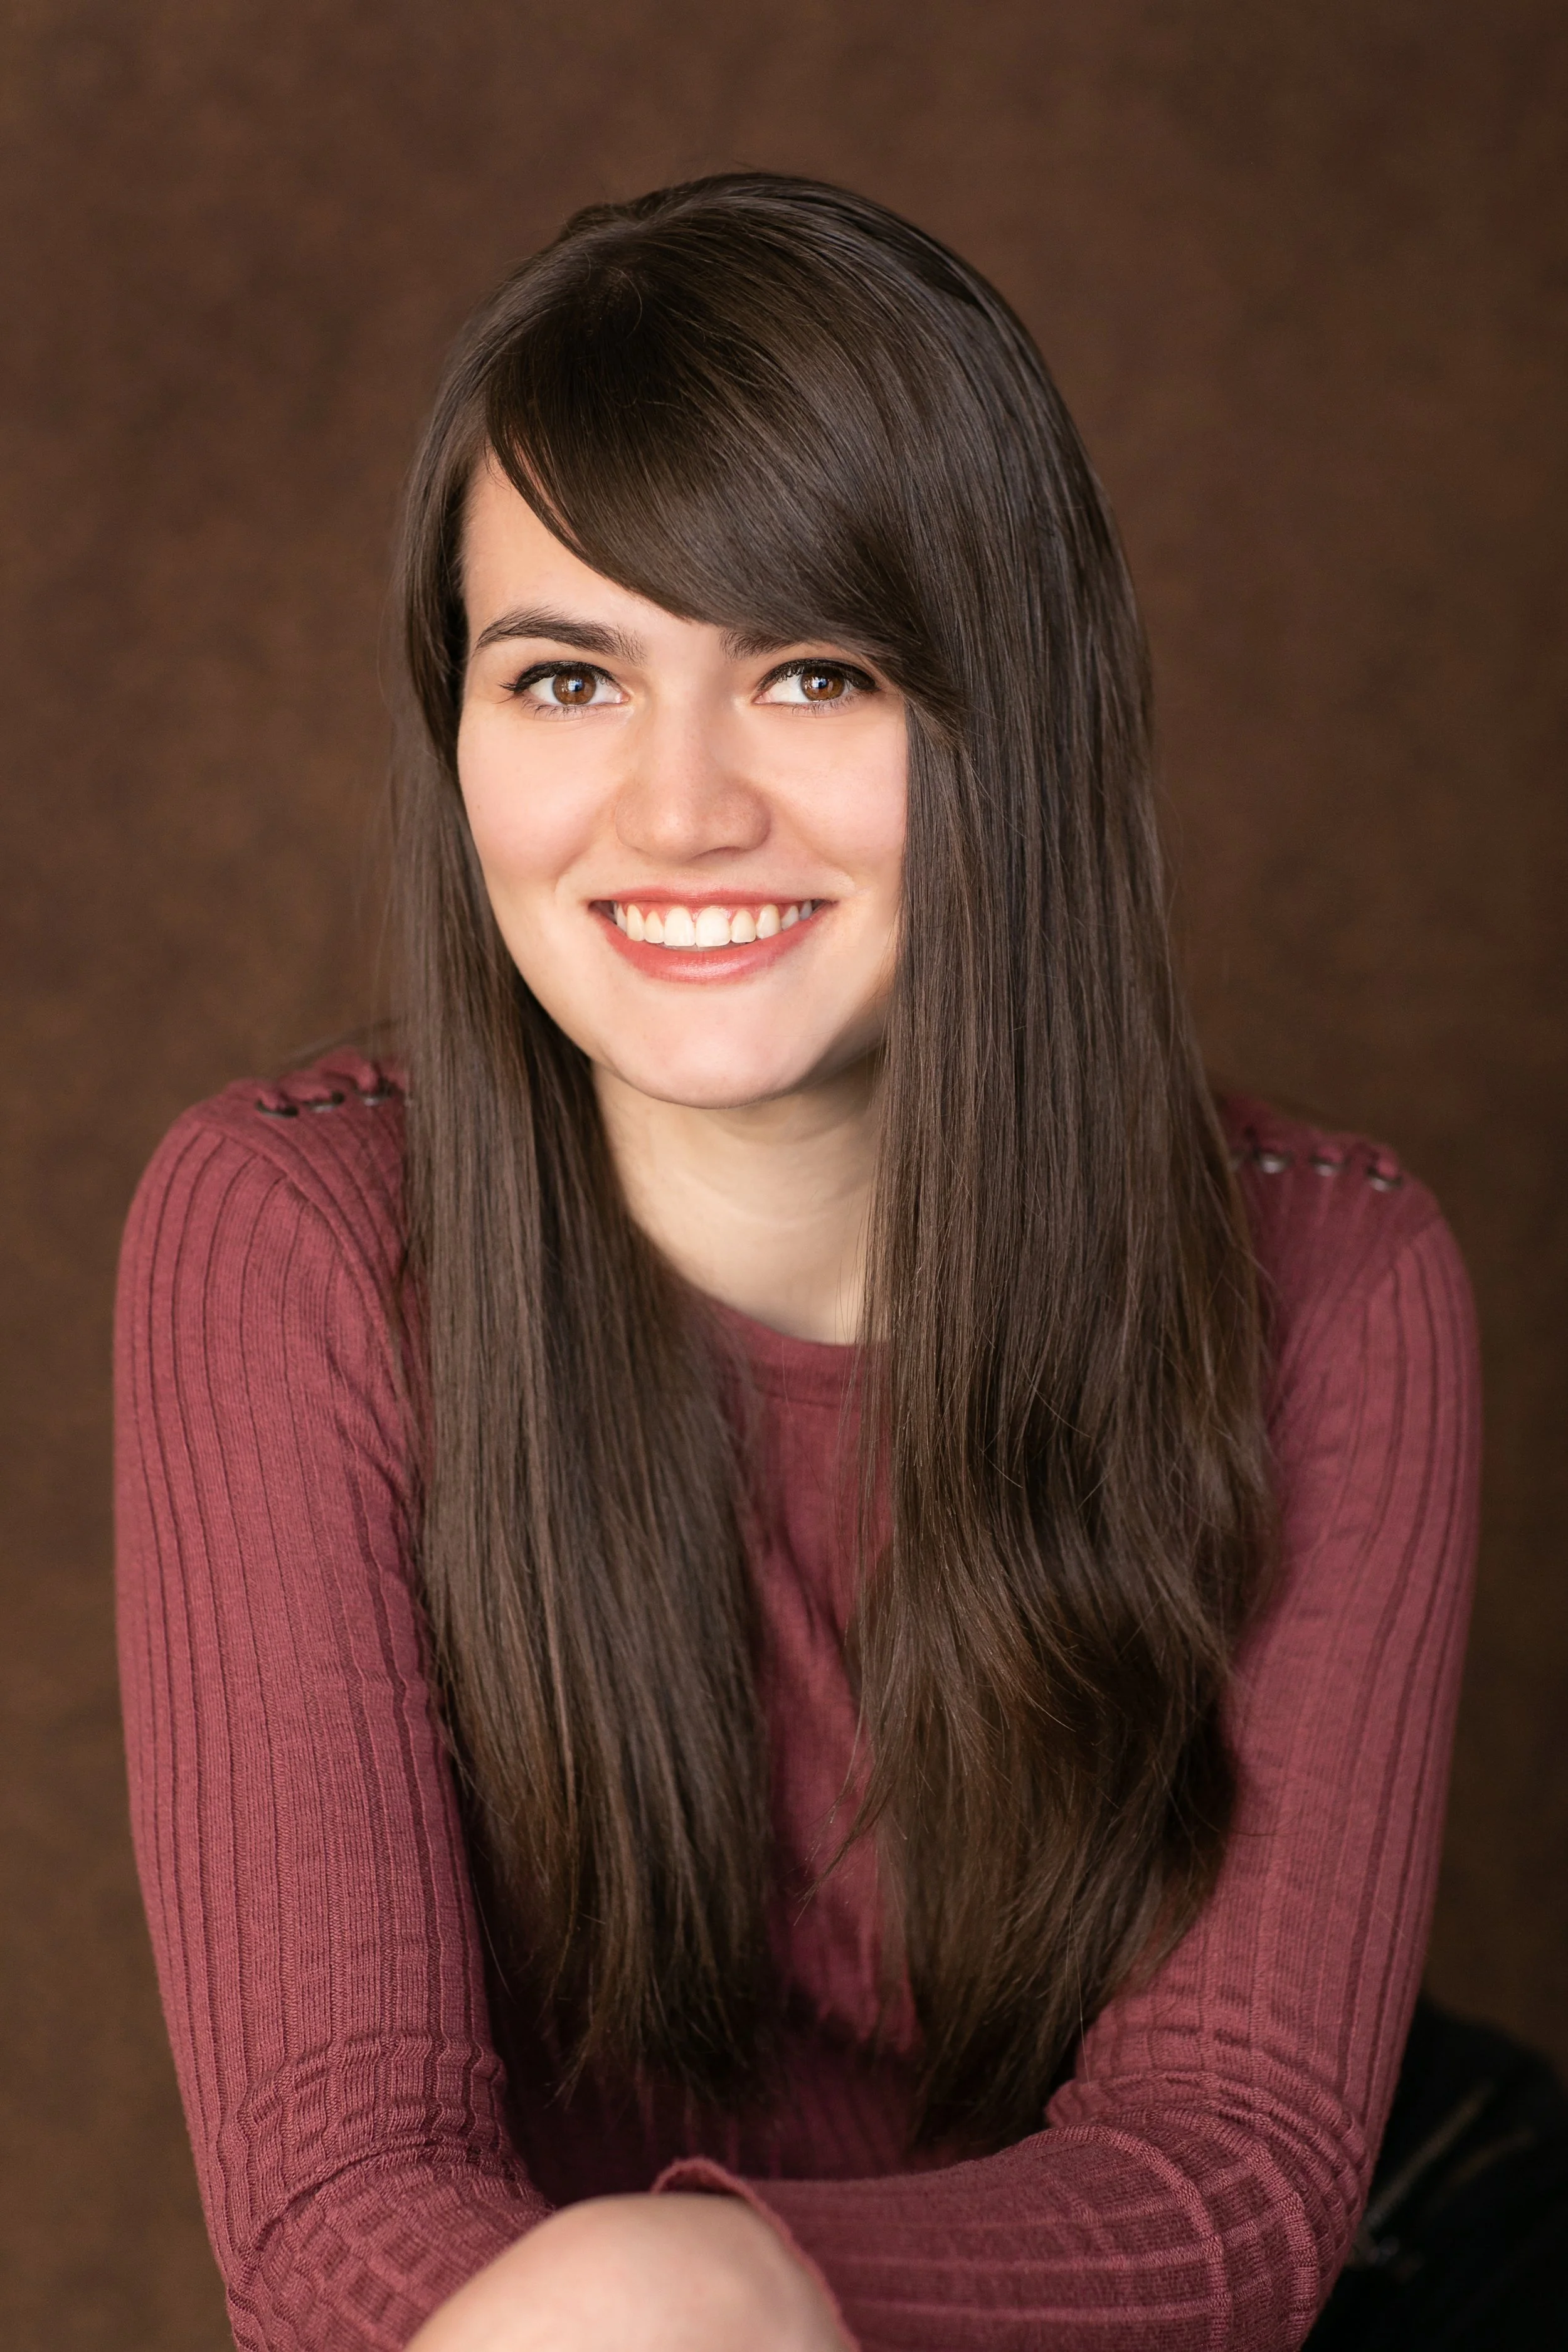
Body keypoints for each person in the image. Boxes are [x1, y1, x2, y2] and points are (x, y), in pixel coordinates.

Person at [114, 176, 1480, 2352]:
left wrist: (727, 2283)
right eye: (567, 675)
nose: (674, 811)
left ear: (1006, 724)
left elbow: (1232, 2187)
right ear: (454, 728)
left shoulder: (1334, 1278)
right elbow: (329, 2201)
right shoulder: (286, 1235)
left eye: (814, 672)